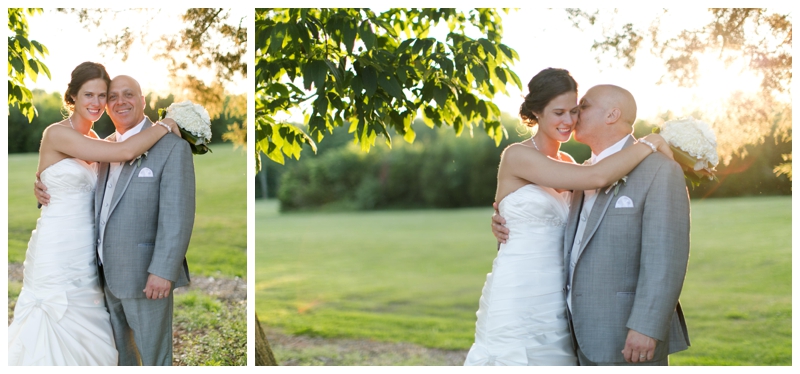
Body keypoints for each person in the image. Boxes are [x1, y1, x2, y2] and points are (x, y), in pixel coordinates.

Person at [465, 68, 674, 366]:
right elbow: (599, 175)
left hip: (559, 293)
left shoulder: (569, 162)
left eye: (574, 111)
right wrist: (649, 144)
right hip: (520, 287)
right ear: (536, 112)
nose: (568, 121)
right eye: (558, 112)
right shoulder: (517, 156)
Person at [8, 62, 181, 365]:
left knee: (88, 325)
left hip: (88, 255)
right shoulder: (56, 134)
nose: (97, 103)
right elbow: (125, 153)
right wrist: (165, 125)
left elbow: (116, 156)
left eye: (103, 95)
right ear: (72, 96)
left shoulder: (98, 142)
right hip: (56, 248)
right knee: (52, 321)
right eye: (89, 95)